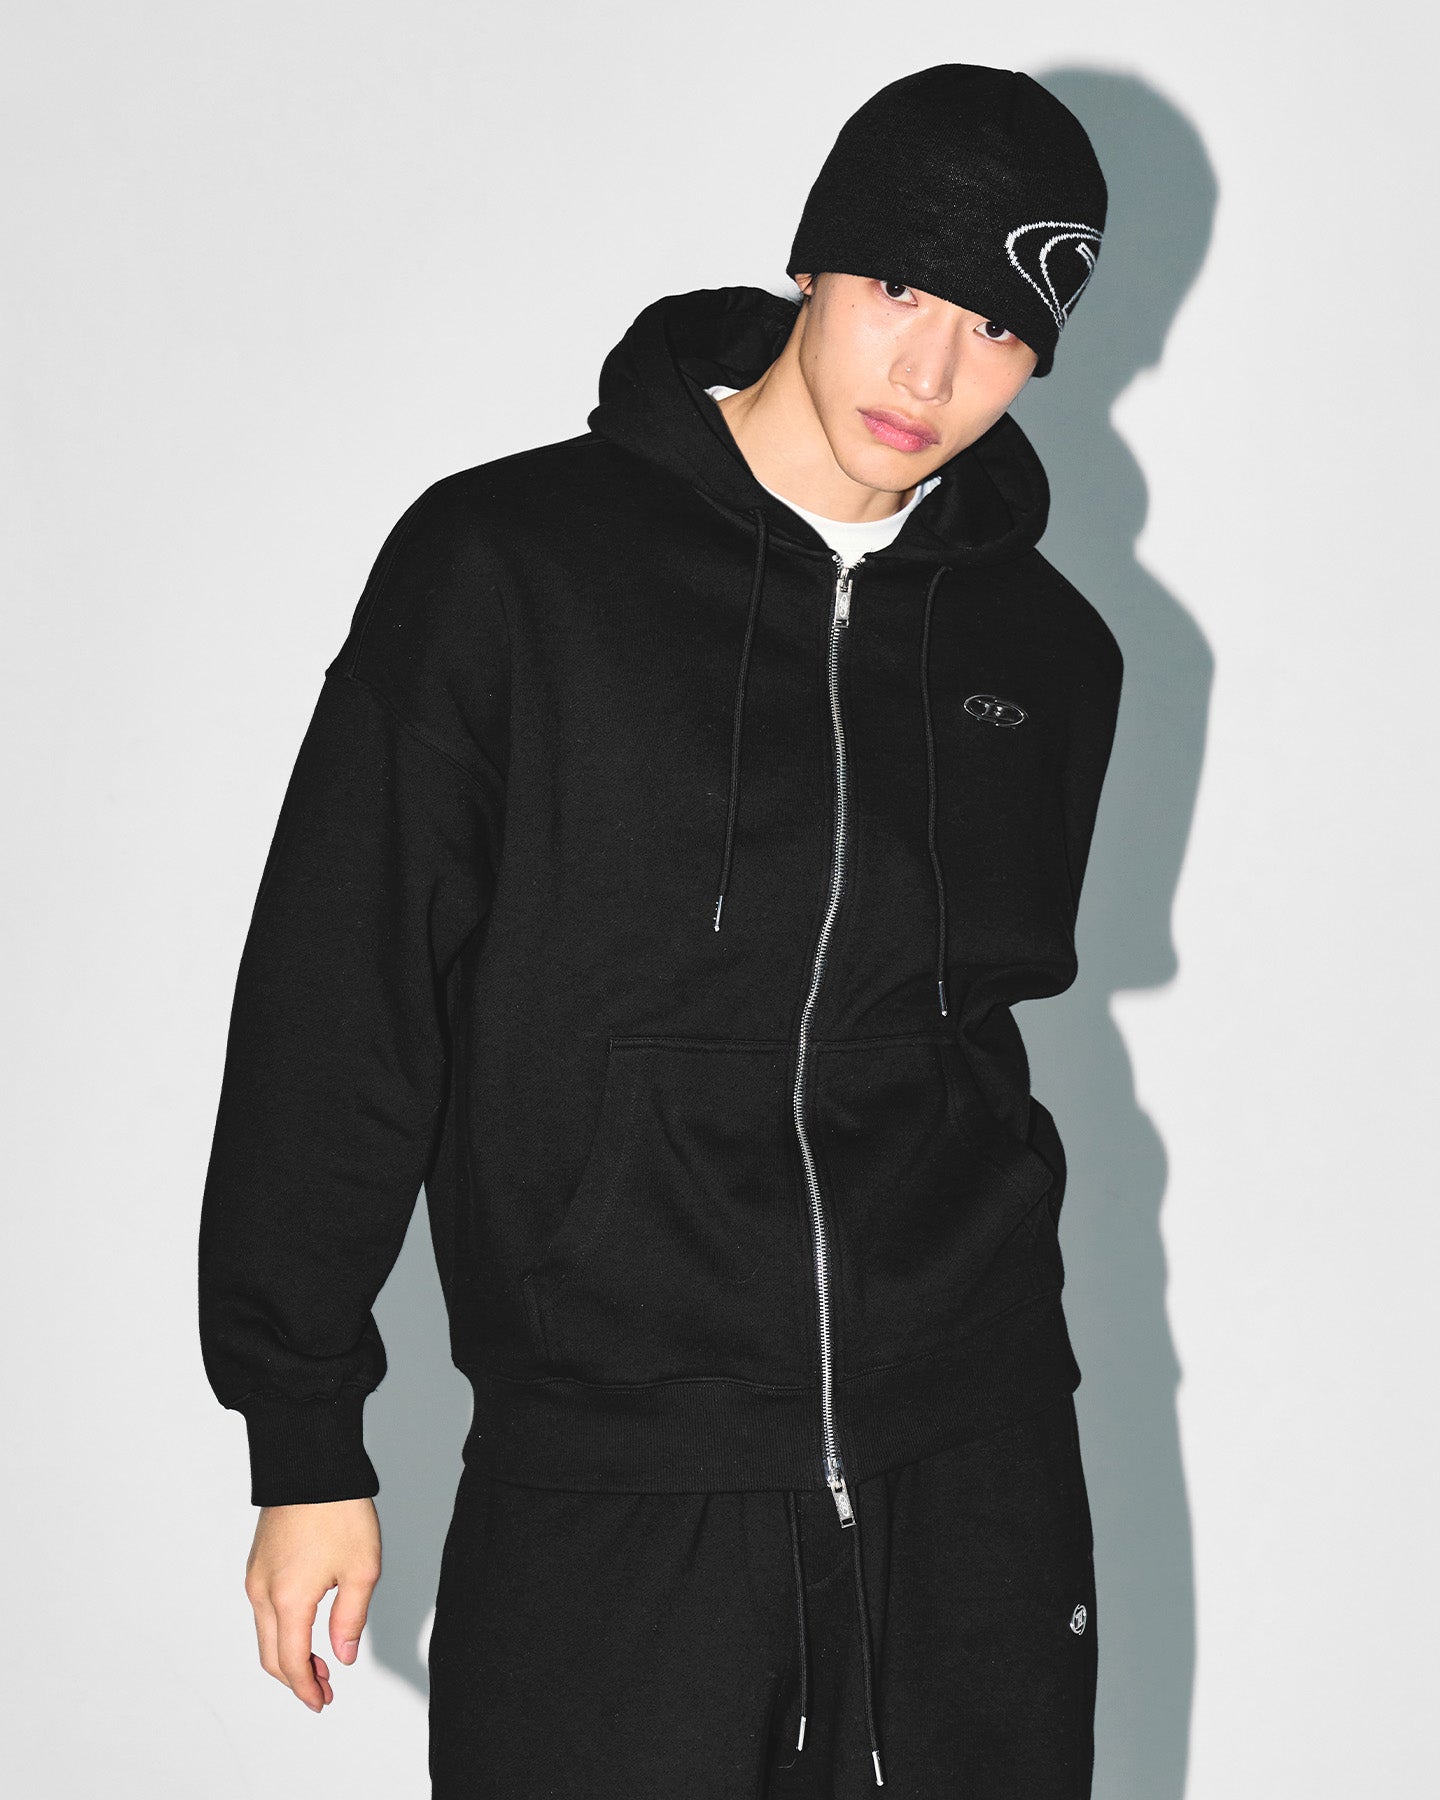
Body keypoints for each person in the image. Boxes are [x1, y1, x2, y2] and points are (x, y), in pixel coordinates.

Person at [198, 61, 1123, 1798]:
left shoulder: (1046, 653)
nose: (932, 373)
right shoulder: (507, 567)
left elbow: (964, 1033)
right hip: (616, 1476)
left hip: (971, 1468)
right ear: (813, 264)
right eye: (901, 289)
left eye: (999, 330)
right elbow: (343, 1003)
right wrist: (302, 1433)